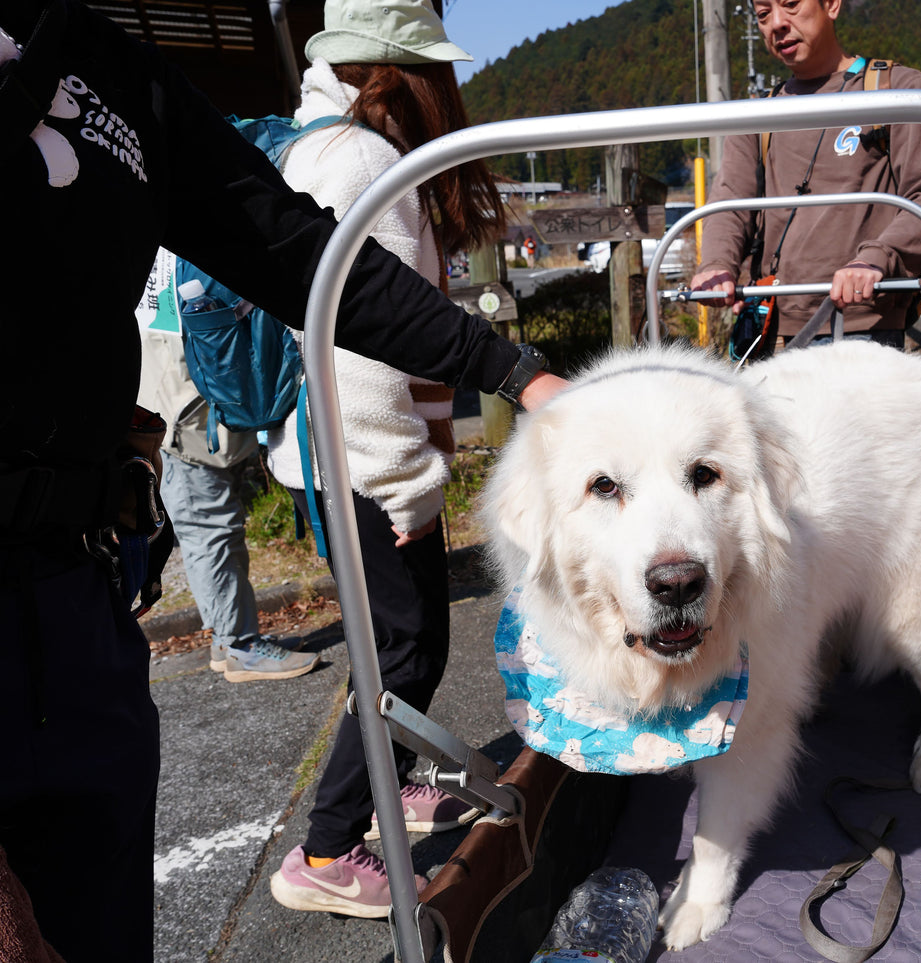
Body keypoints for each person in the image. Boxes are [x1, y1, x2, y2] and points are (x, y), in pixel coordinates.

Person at [0, 1, 565, 959]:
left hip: (77, 597)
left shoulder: (108, 65)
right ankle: (333, 843)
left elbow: (303, 256)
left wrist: (521, 374)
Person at [259, 0, 504, 919]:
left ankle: (385, 789)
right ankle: (324, 848)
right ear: (395, 76)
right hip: (369, 463)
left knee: (401, 644)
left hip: (327, 455)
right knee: (401, 650)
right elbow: (362, 354)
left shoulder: (315, 144)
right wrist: (410, 486)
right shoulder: (365, 161)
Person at [688, 0, 921, 351]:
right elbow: (730, 204)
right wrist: (717, 265)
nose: (777, 24)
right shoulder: (757, 113)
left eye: (791, 5)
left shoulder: (895, 89)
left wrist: (875, 258)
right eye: (763, 14)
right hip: (770, 328)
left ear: (831, 5)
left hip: (863, 325)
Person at [135, 249, 319, 682]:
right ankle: (239, 646)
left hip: (178, 401)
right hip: (184, 413)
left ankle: (231, 640)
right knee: (210, 530)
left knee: (217, 528)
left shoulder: (149, 233)